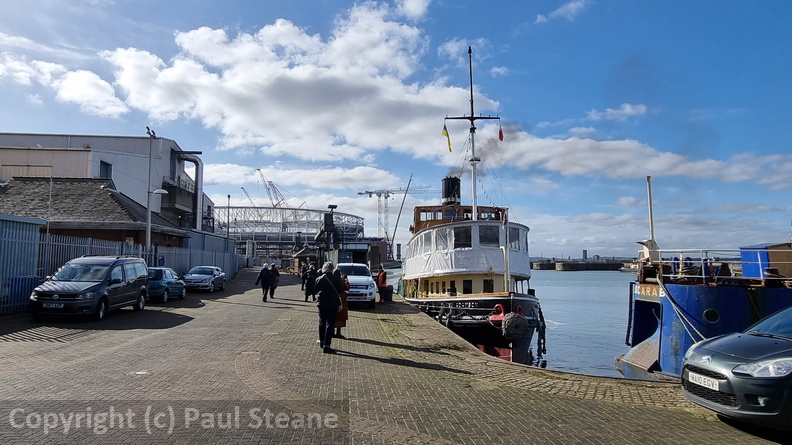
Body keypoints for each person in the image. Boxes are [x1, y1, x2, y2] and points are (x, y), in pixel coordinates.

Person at [315, 261, 343, 354]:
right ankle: (327, 345)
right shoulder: (336, 279)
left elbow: (314, 290)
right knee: (330, 323)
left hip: (321, 303)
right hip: (333, 303)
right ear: (332, 269)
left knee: (321, 322)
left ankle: (321, 341)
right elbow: (341, 291)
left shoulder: (319, 279)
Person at [333, 268, 350, 339]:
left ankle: (331, 331)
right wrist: (347, 281)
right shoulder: (341, 280)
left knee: (333, 315)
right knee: (340, 315)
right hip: (341, 299)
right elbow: (347, 288)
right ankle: (338, 332)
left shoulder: (332, 279)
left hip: (332, 298)